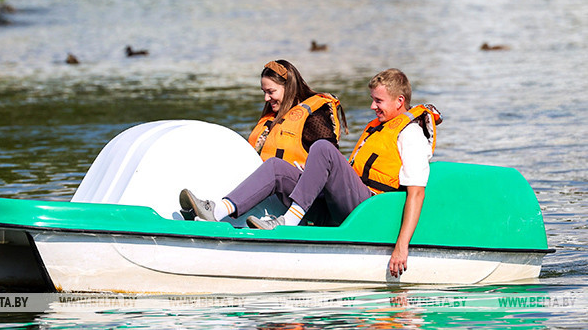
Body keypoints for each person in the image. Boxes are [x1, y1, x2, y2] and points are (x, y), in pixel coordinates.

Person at [182, 68, 441, 278]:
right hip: (347, 206)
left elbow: (416, 194)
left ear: (399, 101)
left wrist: (401, 246)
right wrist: (313, 174)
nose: (372, 106)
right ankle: (215, 214)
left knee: (323, 148)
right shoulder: (379, 128)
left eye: (378, 101)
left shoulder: (411, 134)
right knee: (277, 168)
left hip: (373, 213)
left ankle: (289, 222)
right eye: (372, 99)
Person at [179, 59, 347, 226]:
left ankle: (217, 212)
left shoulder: (313, 116)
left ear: (288, 88)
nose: (266, 98)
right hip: (283, 192)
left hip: (314, 200)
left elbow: (329, 158)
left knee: (275, 167)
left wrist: (309, 166)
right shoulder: (275, 117)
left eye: (271, 91)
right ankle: (212, 208)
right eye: (264, 92)